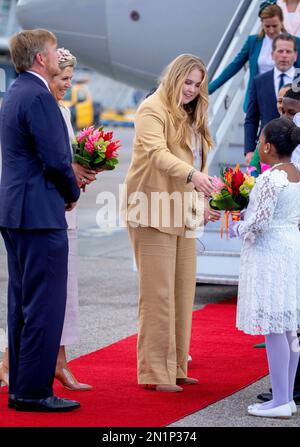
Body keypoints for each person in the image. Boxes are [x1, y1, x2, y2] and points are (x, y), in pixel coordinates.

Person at [122, 53, 221, 393]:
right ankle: (155, 373)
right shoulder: (152, 108)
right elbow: (158, 154)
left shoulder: (193, 116)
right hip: (151, 209)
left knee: (181, 292)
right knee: (158, 294)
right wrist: (195, 176)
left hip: (183, 212)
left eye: (197, 84)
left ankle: (177, 367)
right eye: (187, 82)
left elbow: (197, 164)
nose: (191, 89)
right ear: (174, 77)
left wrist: (205, 200)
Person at [0, 29, 81, 412]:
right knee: (45, 306)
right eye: (51, 50)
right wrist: (72, 192)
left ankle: (21, 386)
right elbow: (56, 159)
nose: (54, 55)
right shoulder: (39, 96)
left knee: (22, 303)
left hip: (17, 212)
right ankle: (33, 392)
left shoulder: (16, 91)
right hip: (39, 214)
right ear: (39, 58)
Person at [229, 117, 300, 418]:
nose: (258, 146)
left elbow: (258, 223)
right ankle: (287, 396)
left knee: (274, 326)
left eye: (260, 141)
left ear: (268, 147)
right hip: (291, 246)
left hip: (272, 250)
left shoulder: (271, 179)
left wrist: (238, 226)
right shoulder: (296, 173)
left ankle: (281, 399)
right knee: (288, 328)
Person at [208, 2, 300, 112]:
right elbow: (233, 67)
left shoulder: (295, 42)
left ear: (281, 22)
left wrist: (296, 94)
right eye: (267, 26)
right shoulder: (253, 42)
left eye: (274, 26)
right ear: (261, 24)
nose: (271, 30)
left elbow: (298, 70)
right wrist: (208, 89)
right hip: (258, 101)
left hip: (285, 101)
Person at [244, 33, 298, 164]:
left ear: (295, 55)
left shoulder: (299, 80)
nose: (284, 55)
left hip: (296, 149)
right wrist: (249, 150)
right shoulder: (259, 81)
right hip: (266, 149)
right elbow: (252, 118)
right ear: (272, 54)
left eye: (288, 51)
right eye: (280, 51)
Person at [249, 83, 292, 174]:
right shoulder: (268, 130)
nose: (282, 105)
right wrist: (254, 182)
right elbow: (253, 166)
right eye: (280, 101)